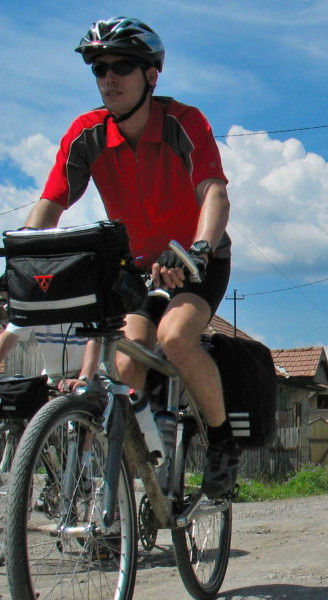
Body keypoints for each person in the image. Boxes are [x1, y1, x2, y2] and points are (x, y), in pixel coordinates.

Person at [25, 17, 238, 498]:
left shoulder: (185, 122)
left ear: (152, 75)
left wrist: (201, 248)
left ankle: (223, 444)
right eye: (99, 68)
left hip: (197, 258)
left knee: (176, 337)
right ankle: (134, 483)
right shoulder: (87, 134)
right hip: (140, 267)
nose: (109, 78)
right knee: (124, 362)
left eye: (123, 65)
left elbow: (214, 193)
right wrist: (21, 262)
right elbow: (51, 204)